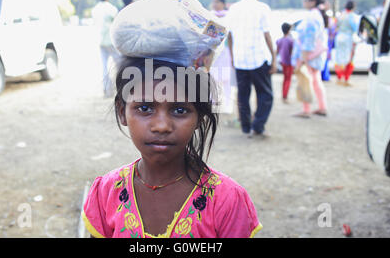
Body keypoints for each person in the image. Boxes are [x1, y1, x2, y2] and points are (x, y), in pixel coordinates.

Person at [81, 61, 262, 238]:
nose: (162, 126)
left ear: (199, 118)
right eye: (145, 108)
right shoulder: (105, 193)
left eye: (180, 110)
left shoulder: (227, 200)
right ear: (122, 112)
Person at [226, 0, 277, 138]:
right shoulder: (262, 8)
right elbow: (267, 34)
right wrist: (274, 57)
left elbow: (229, 34)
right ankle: (258, 126)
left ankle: (246, 127)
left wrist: (233, 57)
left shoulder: (233, 9)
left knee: (243, 94)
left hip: (240, 59)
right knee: (265, 94)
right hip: (258, 58)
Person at [292, 0, 328, 118]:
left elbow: (309, 38)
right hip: (313, 55)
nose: (304, 2)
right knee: (315, 81)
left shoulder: (312, 16)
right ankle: (322, 106)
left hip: (308, 55)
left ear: (312, 1)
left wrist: (304, 58)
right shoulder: (316, 15)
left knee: (305, 81)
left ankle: (306, 109)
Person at [210, 0, 237, 116]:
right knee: (213, 78)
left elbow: (230, 35)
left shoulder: (229, 16)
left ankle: (227, 105)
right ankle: (212, 103)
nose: (215, 4)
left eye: (217, 2)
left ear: (223, 3)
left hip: (225, 51)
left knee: (226, 79)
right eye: (214, 2)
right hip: (213, 51)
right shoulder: (209, 15)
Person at [92, 0, 119, 97]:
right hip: (111, 40)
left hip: (100, 40)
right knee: (120, 65)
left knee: (104, 66)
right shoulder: (111, 8)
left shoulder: (95, 9)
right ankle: (121, 88)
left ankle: (107, 90)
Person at [334, 0, 359, 86]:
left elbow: (336, 26)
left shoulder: (341, 15)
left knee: (339, 57)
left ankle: (339, 77)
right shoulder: (352, 16)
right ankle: (346, 79)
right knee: (349, 58)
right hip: (348, 38)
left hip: (339, 37)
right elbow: (355, 28)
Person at [276, 23, 294, 103]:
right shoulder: (291, 41)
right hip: (289, 62)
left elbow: (277, 52)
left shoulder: (279, 40)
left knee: (285, 79)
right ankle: (285, 96)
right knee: (288, 79)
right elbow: (292, 52)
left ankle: (283, 95)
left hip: (283, 62)